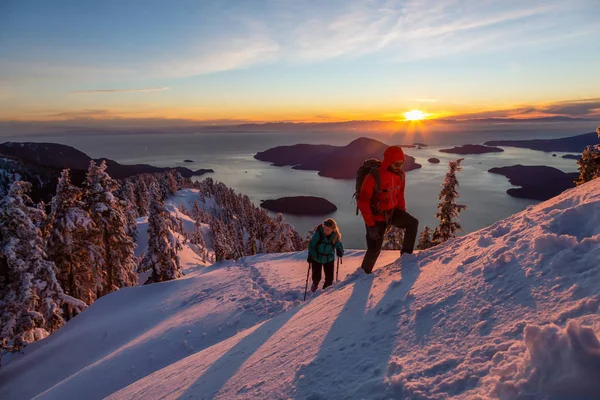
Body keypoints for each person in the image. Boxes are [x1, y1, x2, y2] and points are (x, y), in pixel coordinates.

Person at [358, 146, 419, 274]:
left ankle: (406, 258)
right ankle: (363, 274)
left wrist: (402, 212)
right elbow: (363, 202)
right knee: (374, 249)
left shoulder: (401, 175)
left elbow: (400, 196)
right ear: (388, 161)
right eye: (396, 164)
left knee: (412, 223)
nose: (399, 167)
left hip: (392, 212)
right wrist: (370, 225)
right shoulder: (373, 177)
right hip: (376, 218)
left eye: (402, 163)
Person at [307, 218, 344, 291]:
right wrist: (310, 255)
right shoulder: (319, 234)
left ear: (333, 229)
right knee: (316, 276)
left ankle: (325, 293)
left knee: (329, 278)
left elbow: (338, 244)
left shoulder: (335, 236)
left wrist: (340, 251)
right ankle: (315, 284)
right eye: (324, 229)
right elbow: (312, 245)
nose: (325, 231)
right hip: (317, 257)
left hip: (329, 258)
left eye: (328, 230)